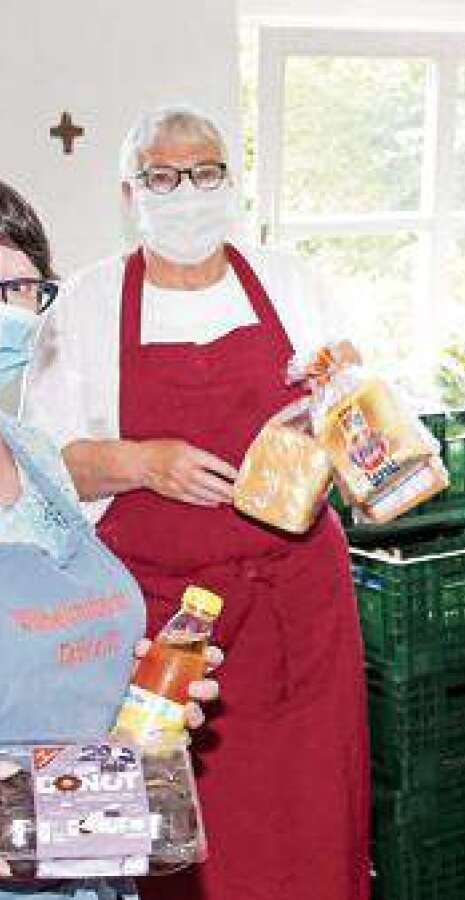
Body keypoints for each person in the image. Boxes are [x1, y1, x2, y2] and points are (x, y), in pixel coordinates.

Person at [22, 106, 369, 900]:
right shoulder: (84, 303)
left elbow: (354, 424)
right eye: (163, 176)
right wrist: (141, 463)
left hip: (296, 611)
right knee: (178, 840)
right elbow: (43, 470)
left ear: (229, 182)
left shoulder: (289, 282)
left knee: (312, 822)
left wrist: (335, 410)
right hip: (166, 628)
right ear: (129, 192)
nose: (187, 192)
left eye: (206, 172)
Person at [0, 181, 217, 900]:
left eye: (20, 288)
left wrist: (136, 700)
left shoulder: (32, 451)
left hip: (85, 865)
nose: (6, 311)